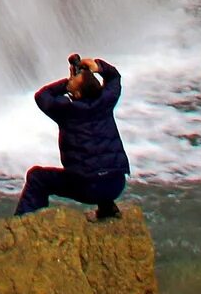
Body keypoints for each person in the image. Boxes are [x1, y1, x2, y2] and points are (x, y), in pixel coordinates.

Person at [14, 51, 129, 220]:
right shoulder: (106, 102)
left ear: (77, 95)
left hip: (87, 188)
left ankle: (24, 221)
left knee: (37, 177)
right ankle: (107, 208)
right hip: (116, 184)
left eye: (75, 82)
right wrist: (98, 67)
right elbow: (114, 79)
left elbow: (42, 96)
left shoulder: (67, 111)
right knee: (99, 166)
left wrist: (66, 84)